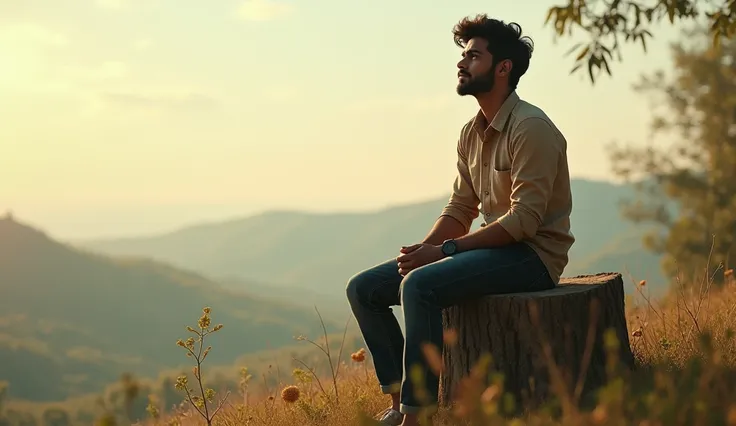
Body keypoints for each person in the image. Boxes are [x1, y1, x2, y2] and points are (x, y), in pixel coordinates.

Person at [345, 14, 575, 426]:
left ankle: (418, 416)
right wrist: (422, 251)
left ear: (503, 67)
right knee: (364, 288)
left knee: (419, 287)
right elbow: (460, 209)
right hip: (492, 251)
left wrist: (445, 252)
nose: (461, 62)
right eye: (462, 55)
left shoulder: (531, 128)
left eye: (474, 55)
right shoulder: (472, 132)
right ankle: (398, 404)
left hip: (533, 256)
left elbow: (523, 221)